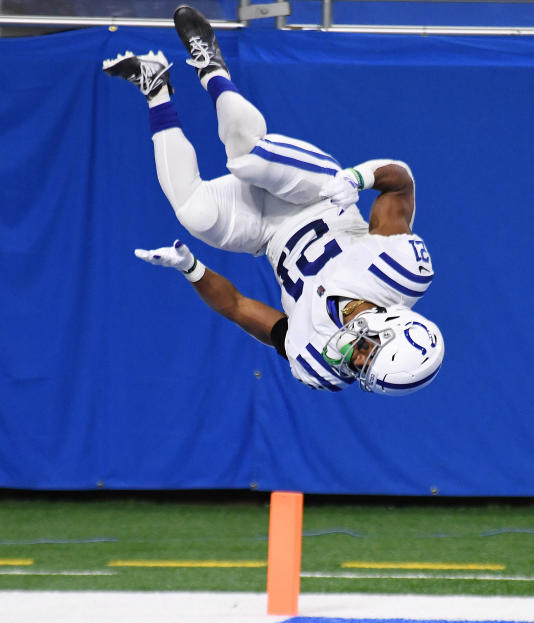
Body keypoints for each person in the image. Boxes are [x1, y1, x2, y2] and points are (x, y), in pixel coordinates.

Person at [102, 5, 444, 395]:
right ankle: (210, 65)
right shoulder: (400, 273)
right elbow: (400, 184)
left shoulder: (318, 361)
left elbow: (237, 307)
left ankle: (155, 87)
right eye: (367, 355)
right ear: (394, 326)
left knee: (194, 212)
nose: (353, 360)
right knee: (247, 157)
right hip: (317, 194)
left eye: (361, 370)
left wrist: (191, 268)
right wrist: (358, 177)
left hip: (267, 233)